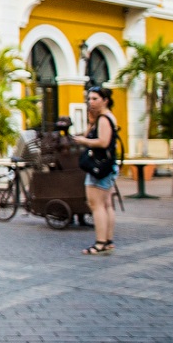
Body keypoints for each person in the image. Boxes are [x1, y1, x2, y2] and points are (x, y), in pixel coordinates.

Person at [72, 86, 119, 255]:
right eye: (89, 99)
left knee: (96, 204)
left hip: (100, 166)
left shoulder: (105, 119)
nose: (91, 102)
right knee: (106, 204)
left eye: (95, 99)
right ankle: (107, 240)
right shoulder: (105, 118)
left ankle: (100, 242)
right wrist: (91, 123)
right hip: (108, 165)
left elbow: (103, 142)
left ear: (105, 100)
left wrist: (83, 141)